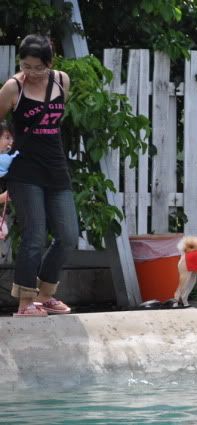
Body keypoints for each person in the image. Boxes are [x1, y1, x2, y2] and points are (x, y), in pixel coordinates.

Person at [0, 34, 78, 317]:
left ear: (50, 63)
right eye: (26, 66)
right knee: (34, 235)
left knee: (68, 235)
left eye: (38, 67)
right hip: (24, 170)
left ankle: (45, 295)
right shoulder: (13, 87)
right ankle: (25, 303)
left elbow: (54, 123)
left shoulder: (61, 81)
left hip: (55, 166)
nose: (31, 72)